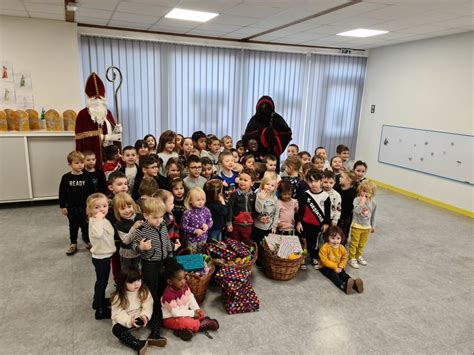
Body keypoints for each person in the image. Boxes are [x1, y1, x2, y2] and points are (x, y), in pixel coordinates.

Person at [132, 198, 173, 343]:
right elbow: (134, 246)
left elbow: (167, 239)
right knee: (153, 292)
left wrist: (170, 251)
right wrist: (140, 248)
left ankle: (161, 313)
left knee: (163, 288)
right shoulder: (141, 230)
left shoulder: (162, 225)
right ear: (146, 215)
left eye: (161, 216)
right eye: (155, 217)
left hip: (162, 261)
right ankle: (155, 328)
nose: (159, 220)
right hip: (149, 264)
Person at [161, 258, 219, 341]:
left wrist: (196, 309)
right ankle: (201, 325)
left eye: (184, 278)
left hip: (183, 313)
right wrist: (192, 313)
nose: (183, 281)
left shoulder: (184, 286)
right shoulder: (168, 296)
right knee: (186, 322)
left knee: (201, 313)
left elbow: (190, 297)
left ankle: (184, 330)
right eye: (180, 280)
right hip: (171, 318)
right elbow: (175, 313)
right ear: (170, 282)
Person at [111, 267, 167, 354]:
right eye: (131, 282)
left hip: (141, 316)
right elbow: (117, 314)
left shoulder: (144, 290)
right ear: (123, 283)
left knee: (157, 308)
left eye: (138, 280)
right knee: (116, 329)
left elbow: (148, 304)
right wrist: (129, 320)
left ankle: (154, 335)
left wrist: (145, 315)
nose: (136, 284)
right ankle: (137, 344)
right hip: (128, 320)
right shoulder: (118, 297)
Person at [75, 72, 121, 169]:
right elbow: (82, 142)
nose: (97, 99)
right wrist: (104, 138)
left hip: (110, 154)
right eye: (95, 98)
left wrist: (117, 130)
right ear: (89, 99)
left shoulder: (107, 112)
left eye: (100, 98)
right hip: (94, 157)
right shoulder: (82, 114)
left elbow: (114, 134)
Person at [59, 151, 95, 255]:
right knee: (73, 226)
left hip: (85, 208)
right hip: (71, 208)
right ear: (70, 164)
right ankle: (73, 243)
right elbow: (62, 193)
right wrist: (63, 206)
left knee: (86, 225)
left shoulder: (87, 177)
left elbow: (92, 193)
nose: (80, 165)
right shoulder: (66, 178)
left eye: (82, 162)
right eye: (77, 163)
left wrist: (92, 206)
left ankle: (88, 241)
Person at [242, 95, 292, 172]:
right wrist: (262, 133)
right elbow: (247, 136)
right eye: (262, 106)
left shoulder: (277, 118)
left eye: (266, 106)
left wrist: (274, 138)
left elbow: (287, 134)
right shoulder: (254, 119)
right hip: (258, 154)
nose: (264, 108)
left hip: (272, 153)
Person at [87, 192, 116, 319]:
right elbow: (98, 234)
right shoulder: (95, 222)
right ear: (90, 210)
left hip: (105, 255)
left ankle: (97, 301)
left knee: (102, 281)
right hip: (101, 257)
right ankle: (100, 310)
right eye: (97, 207)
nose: (101, 209)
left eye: (104, 206)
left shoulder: (103, 219)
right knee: (102, 282)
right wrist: (99, 219)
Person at [296, 169, 331, 270]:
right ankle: (302, 259)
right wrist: (298, 222)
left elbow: (328, 212)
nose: (313, 184)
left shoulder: (325, 196)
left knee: (314, 243)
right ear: (307, 182)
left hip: (317, 225)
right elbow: (301, 210)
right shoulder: (305, 194)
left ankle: (314, 257)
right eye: (310, 181)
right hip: (304, 224)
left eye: (316, 181)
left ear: (321, 181)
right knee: (303, 242)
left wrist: (326, 223)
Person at [319, 226, 363, 294]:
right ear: (328, 237)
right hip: (325, 267)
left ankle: (354, 284)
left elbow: (344, 258)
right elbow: (324, 260)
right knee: (333, 276)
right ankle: (343, 286)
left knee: (343, 274)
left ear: (341, 238)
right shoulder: (325, 247)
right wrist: (335, 267)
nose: (335, 241)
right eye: (332, 238)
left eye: (338, 238)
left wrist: (340, 266)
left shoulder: (342, 248)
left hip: (338, 266)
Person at [349, 180, 377, 269]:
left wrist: (373, 226)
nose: (365, 193)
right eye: (363, 190)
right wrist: (362, 202)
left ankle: (359, 255)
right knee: (354, 243)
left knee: (362, 243)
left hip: (366, 227)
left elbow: (373, 215)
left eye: (368, 192)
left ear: (372, 193)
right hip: (357, 225)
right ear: (360, 190)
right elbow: (356, 211)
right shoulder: (356, 200)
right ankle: (352, 258)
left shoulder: (373, 203)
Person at [113, 192, 144, 270]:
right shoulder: (119, 224)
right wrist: (133, 228)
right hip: (127, 254)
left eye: (129, 206)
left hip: (139, 251)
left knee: (138, 270)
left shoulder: (140, 216)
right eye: (123, 208)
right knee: (127, 272)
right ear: (117, 211)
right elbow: (126, 241)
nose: (127, 210)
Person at [253, 175, 279, 266]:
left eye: (272, 185)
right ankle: (258, 259)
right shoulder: (258, 194)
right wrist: (261, 199)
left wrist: (274, 226)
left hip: (269, 226)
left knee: (266, 245)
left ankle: (265, 259)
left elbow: (276, 213)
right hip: (258, 226)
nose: (269, 187)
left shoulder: (274, 198)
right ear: (263, 184)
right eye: (267, 184)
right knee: (258, 244)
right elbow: (258, 210)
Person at [226, 169, 256, 245]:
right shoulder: (234, 194)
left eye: (245, 180)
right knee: (235, 242)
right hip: (236, 223)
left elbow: (255, 209)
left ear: (252, 183)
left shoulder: (253, 195)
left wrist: (256, 218)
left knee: (246, 241)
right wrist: (229, 223)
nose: (242, 182)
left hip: (248, 225)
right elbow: (230, 209)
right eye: (240, 179)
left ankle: (246, 255)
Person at [180, 187, 213, 253]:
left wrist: (207, 226)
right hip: (191, 240)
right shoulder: (187, 212)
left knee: (202, 254)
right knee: (192, 255)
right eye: (198, 200)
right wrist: (194, 230)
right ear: (190, 201)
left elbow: (210, 221)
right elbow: (183, 226)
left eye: (203, 199)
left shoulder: (206, 210)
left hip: (203, 238)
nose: (201, 202)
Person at [337, 170, 357, 242]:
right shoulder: (337, 188)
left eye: (342, 177)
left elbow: (353, 206)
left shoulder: (353, 192)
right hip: (337, 214)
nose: (339, 178)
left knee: (344, 231)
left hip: (346, 217)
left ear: (349, 181)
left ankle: (342, 244)